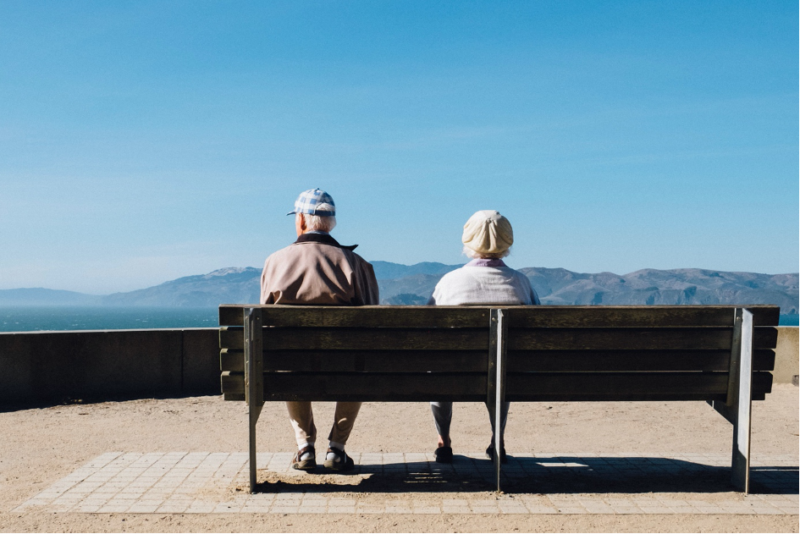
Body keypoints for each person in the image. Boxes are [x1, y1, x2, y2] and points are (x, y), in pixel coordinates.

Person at [260, 188, 379, 472]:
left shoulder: (275, 262)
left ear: (301, 220)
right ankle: (336, 448)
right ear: (331, 223)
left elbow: (264, 323)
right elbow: (374, 322)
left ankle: (304, 447)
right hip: (345, 366)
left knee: (288, 361)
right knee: (358, 363)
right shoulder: (357, 265)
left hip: (293, 366)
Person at [427, 210, 540, 464]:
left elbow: (428, 330)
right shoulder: (521, 283)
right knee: (500, 368)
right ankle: (497, 439)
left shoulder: (449, 282)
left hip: (455, 373)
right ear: (507, 241)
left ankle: (444, 441)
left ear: (467, 241)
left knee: (439, 370)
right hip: (507, 374)